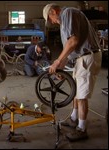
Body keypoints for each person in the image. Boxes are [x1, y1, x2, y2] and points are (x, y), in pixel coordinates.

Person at [43, 3, 102, 141]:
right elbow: (69, 51)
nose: (52, 22)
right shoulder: (64, 23)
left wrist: (57, 61)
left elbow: (73, 41)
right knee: (76, 91)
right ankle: (74, 119)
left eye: (50, 18)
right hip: (81, 58)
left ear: (54, 11)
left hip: (88, 57)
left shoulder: (67, 13)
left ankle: (82, 129)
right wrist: (61, 67)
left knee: (81, 96)